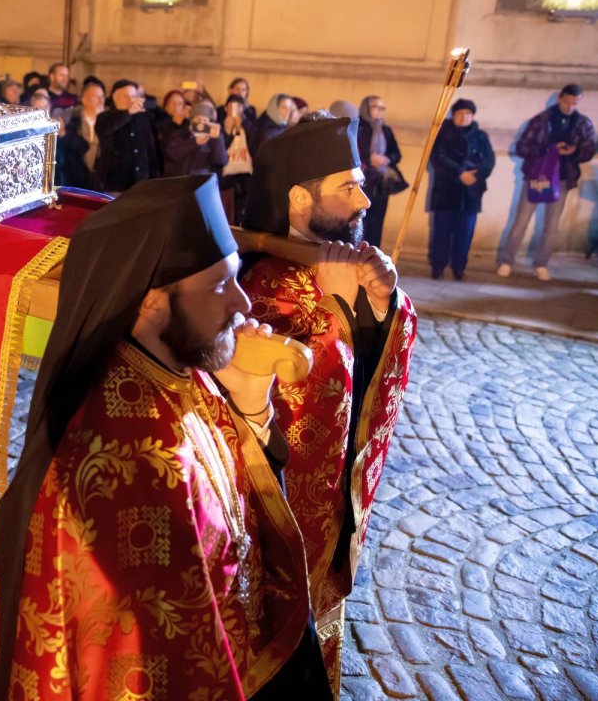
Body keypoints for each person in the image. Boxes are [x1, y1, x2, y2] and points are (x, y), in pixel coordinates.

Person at [0, 175, 332, 700]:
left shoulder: (180, 364)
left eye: (236, 279)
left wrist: (252, 402)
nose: (243, 303)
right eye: (218, 285)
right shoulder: (112, 463)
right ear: (149, 303)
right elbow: (136, 666)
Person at [238, 116, 416, 691]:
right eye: (348, 186)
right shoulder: (259, 284)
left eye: (361, 182)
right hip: (275, 509)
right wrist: (339, 308)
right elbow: (286, 389)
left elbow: (371, 371)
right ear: (297, 197)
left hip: (334, 493)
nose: (365, 198)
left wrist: (383, 301)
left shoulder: (357, 260)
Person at [498, 83, 597, 281]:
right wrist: (549, 149)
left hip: (562, 178)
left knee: (552, 225)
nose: (570, 107)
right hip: (537, 176)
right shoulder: (541, 120)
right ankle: (507, 261)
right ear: (560, 98)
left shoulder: (582, 123)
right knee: (521, 222)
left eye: (574, 103)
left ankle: (541, 263)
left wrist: (573, 151)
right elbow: (522, 147)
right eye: (567, 102)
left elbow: (589, 149)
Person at [427, 99, 495, 280]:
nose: (464, 117)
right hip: (446, 192)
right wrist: (459, 173)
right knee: (441, 233)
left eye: (468, 114)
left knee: (465, 233)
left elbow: (489, 161)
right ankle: (438, 266)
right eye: (460, 113)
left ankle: (459, 267)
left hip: (470, 194)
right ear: (453, 115)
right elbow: (437, 159)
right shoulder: (442, 133)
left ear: (472, 116)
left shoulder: (481, 136)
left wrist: (476, 174)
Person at [356, 95, 407, 248]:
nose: (380, 111)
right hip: (363, 181)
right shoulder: (359, 127)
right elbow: (354, 151)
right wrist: (369, 158)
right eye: (376, 107)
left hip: (381, 182)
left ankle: (373, 253)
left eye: (382, 108)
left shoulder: (385, 130)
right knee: (360, 221)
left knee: (377, 222)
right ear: (366, 108)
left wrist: (387, 159)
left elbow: (396, 153)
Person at [94, 79, 159, 193]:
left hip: (141, 183)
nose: (130, 100)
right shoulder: (105, 117)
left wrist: (155, 176)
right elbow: (104, 131)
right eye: (126, 96)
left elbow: (151, 147)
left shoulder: (143, 117)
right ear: (115, 97)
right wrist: (127, 113)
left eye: (133, 96)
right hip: (115, 184)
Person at [161, 100, 228, 178]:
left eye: (205, 120)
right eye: (198, 119)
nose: (201, 123)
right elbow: (172, 153)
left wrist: (217, 139)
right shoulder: (179, 134)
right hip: (177, 181)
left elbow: (220, 161)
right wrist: (195, 143)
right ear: (191, 120)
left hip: (200, 183)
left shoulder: (212, 139)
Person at [56, 81, 104, 188]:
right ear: (84, 99)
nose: (101, 100)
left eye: (102, 97)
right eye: (96, 97)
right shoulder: (71, 119)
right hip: (77, 176)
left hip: (102, 179)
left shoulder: (110, 121)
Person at [220, 93, 253, 224]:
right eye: (232, 106)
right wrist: (227, 131)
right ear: (225, 108)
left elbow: (254, 145)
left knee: (243, 205)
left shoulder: (249, 124)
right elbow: (220, 149)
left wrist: (241, 125)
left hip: (245, 172)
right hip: (227, 173)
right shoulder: (219, 125)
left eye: (239, 106)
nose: (236, 109)